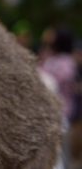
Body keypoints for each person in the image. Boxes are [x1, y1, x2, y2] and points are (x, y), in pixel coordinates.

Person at [39, 26, 79, 169]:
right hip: (49, 112)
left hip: (59, 114)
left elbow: (50, 82)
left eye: (53, 34)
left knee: (55, 156)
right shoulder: (55, 58)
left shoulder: (64, 62)